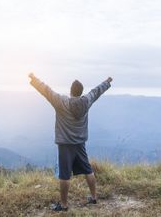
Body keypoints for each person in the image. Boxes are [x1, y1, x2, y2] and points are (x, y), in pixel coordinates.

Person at [28, 72, 113, 212]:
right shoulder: (86, 101)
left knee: (65, 175)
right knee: (88, 170)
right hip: (80, 144)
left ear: (71, 91)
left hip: (65, 144)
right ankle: (93, 197)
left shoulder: (61, 102)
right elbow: (97, 91)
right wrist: (107, 82)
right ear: (81, 92)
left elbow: (46, 90)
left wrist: (34, 79)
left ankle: (64, 205)